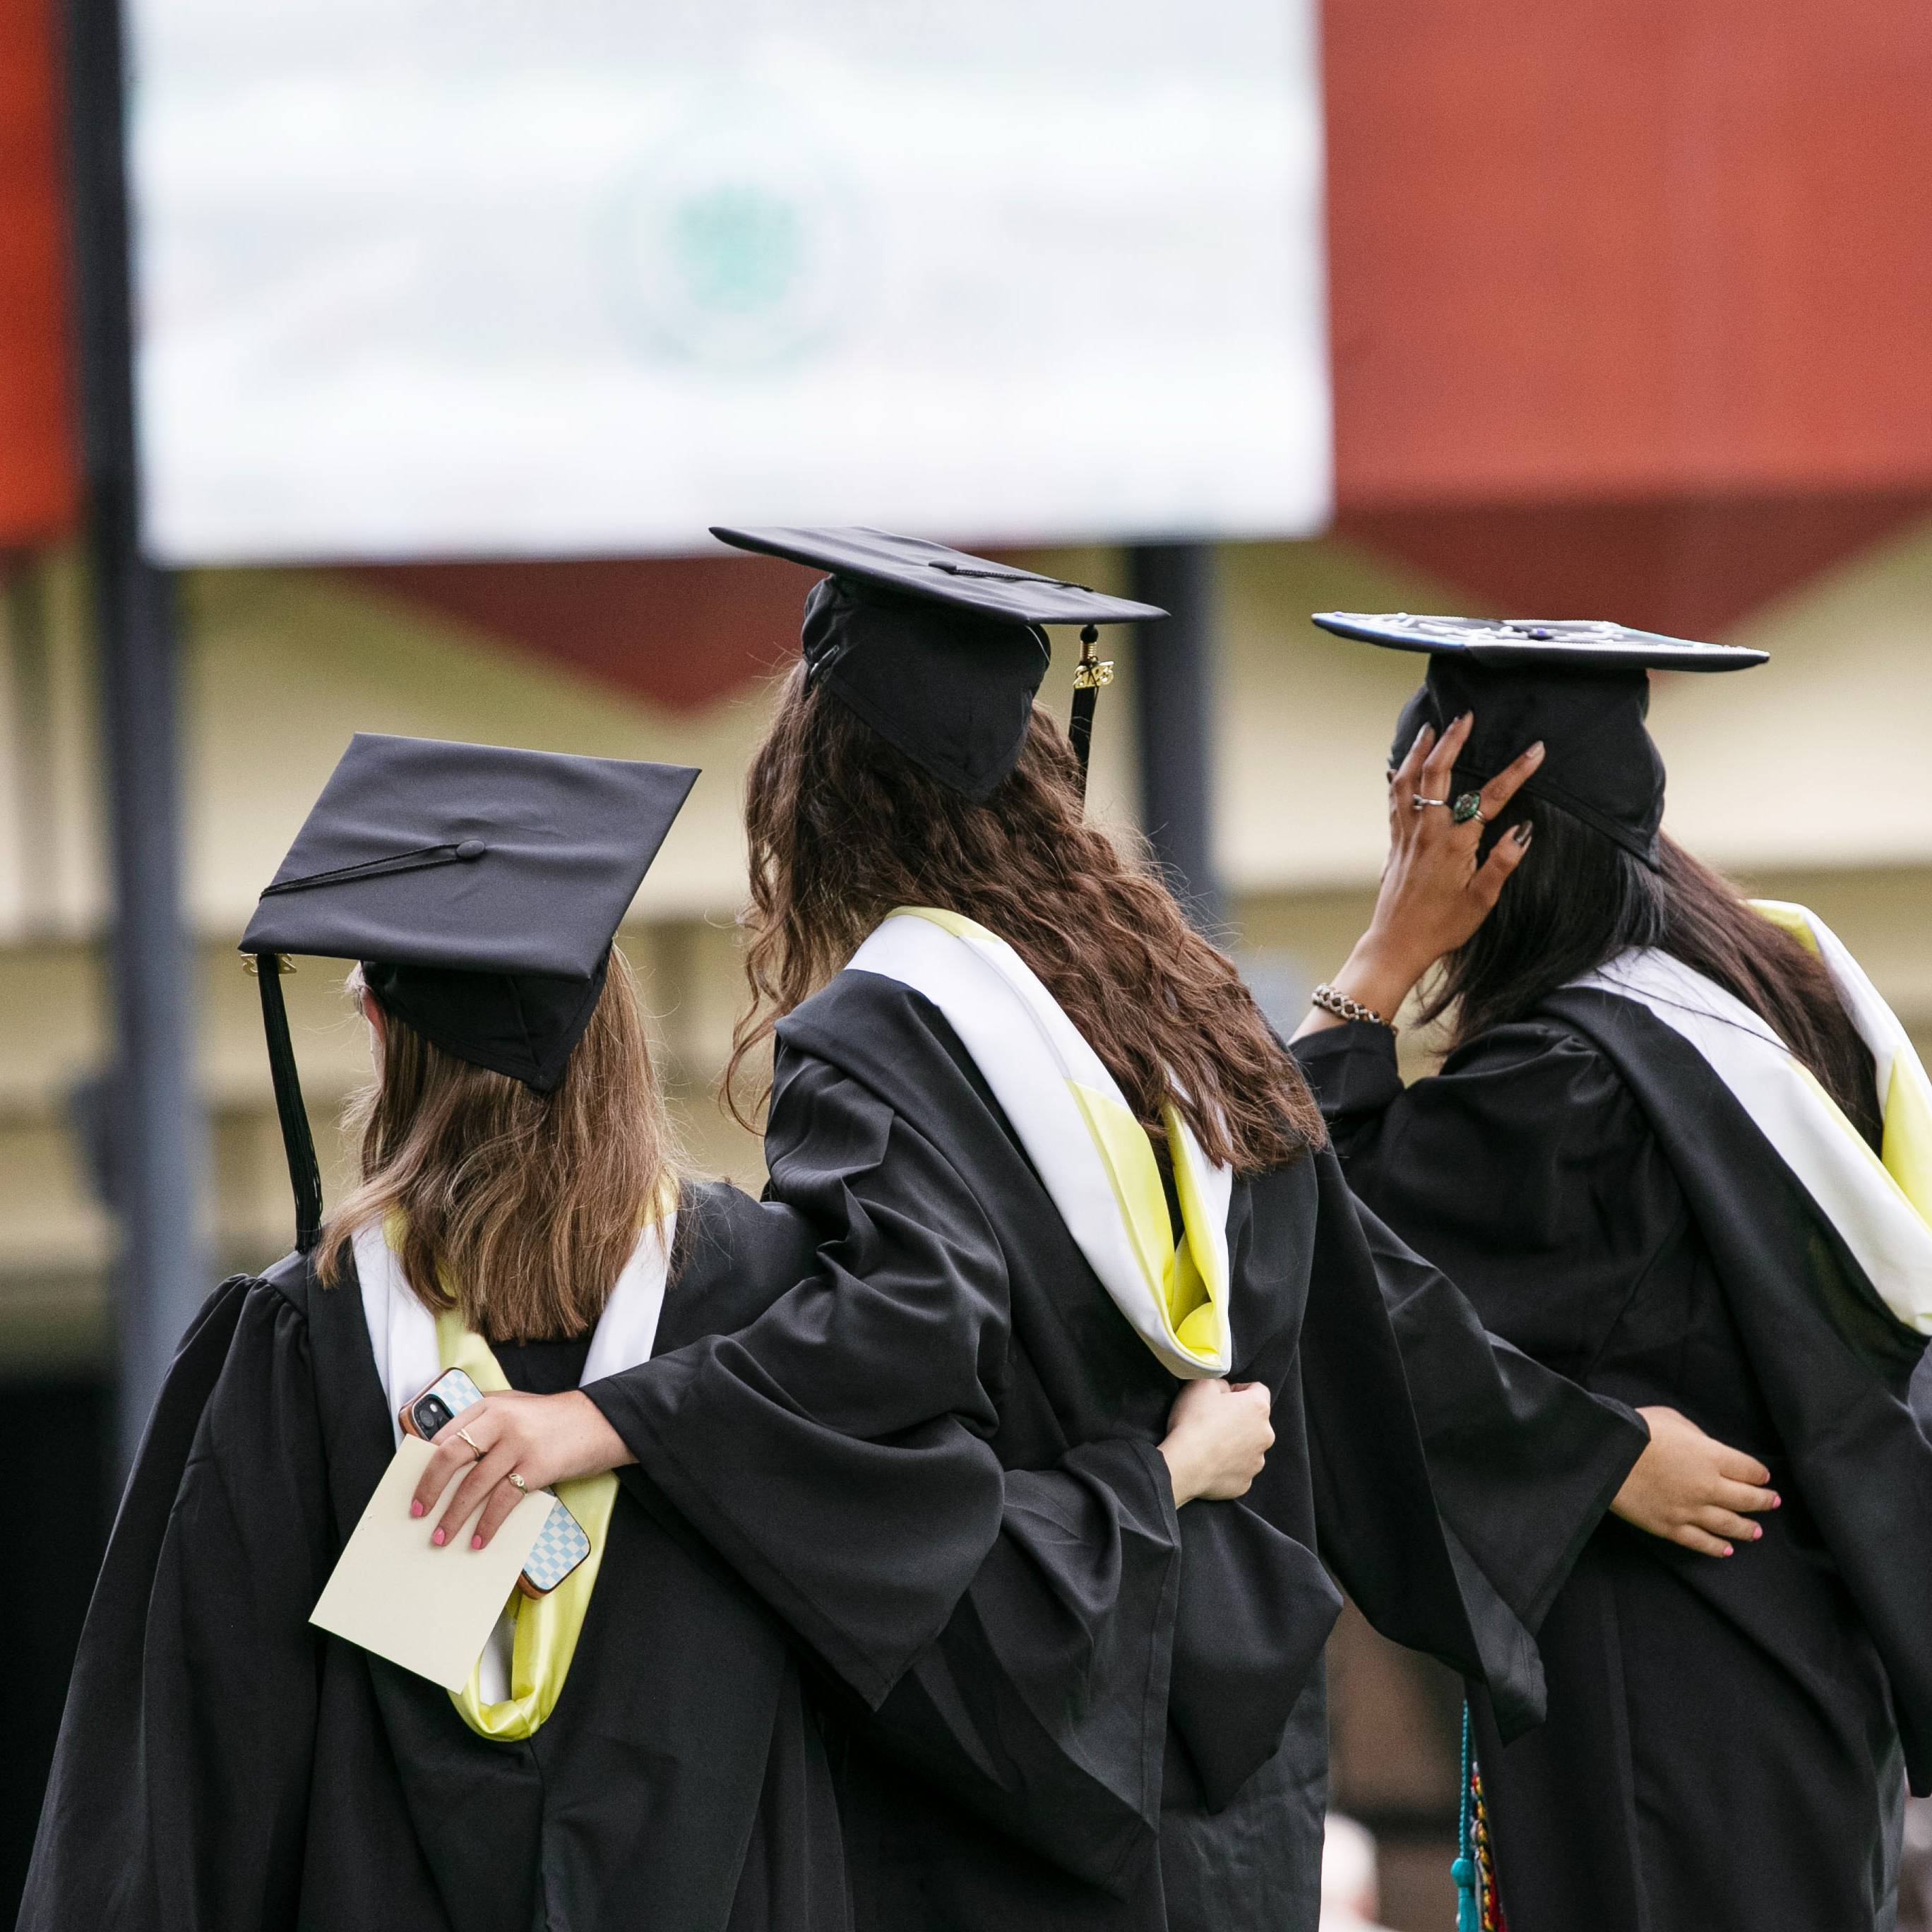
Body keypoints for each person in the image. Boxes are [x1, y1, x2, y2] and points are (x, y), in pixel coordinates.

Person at [438, 536, 1775, 1932]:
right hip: (1240, 1767)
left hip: (1047, 1778)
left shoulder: (879, 1034)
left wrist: (610, 1422)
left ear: (819, 806)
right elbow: (1353, 1295)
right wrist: (1578, 1453)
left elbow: (898, 1328)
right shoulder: (1188, 1022)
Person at [1291, 612, 1932, 1932]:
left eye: (1418, 832)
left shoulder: (1568, 1091)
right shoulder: (1777, 998)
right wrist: (1600, 1447)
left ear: (1482, 846)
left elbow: (1315, 1268)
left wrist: (1373, 970)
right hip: (1799, 1699)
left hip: (1661, 1722)